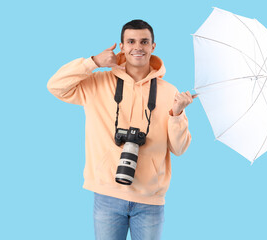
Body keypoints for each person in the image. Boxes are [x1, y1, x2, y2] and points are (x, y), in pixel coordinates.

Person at [47, 19, 196, 240]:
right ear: (122, 46)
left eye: (144, 42)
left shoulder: (169, 91)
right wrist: (93, 62)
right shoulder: (97, 82)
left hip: (150, 199)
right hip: (107, 193)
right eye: (131, 41)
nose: (138, 47)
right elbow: (55, 86)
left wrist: (177, 114)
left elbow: (179, 148)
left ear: (153, 47)